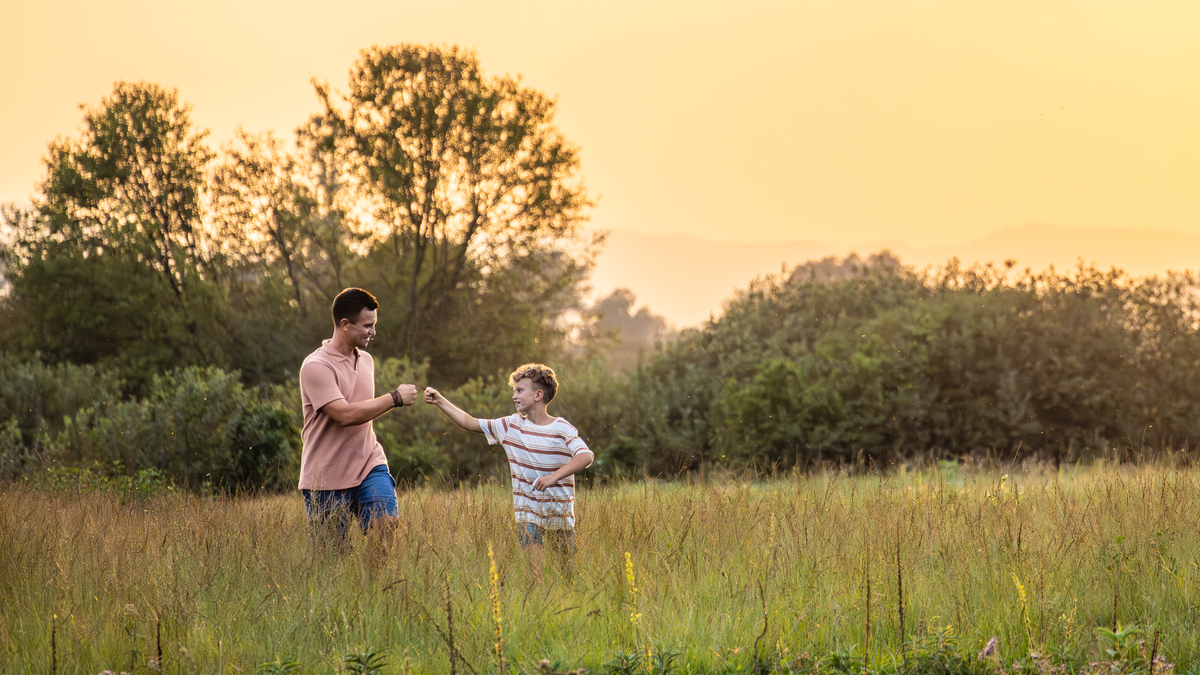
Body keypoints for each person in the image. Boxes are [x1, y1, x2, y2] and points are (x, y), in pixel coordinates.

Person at [423, 363, 593, 573]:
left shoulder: (561, 428)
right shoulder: (510, 426)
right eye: (514, 391)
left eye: (520, 390)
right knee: (535, 575)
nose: (514, 396)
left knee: (569, 573)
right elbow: (469, 422)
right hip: (528, 514)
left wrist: (553, 477)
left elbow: (586, 456)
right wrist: (440, 400)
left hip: (560, 514)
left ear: (538, 395)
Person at [298, 287, 418, 559]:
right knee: (333, 561)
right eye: (367, 325)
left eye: (374, 325)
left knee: (386, 525)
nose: (373, 331)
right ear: (344, 325)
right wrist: (395, 398)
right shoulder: (316, 366)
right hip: (325, 477)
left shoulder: (367, 360)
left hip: (368, 463)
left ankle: (371, 592)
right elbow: (345, 415)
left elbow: (362, 410)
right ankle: (347, 596)